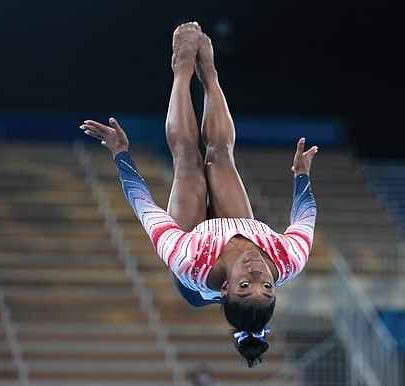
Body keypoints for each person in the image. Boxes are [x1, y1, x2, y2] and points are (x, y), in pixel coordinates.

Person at [79, 22, 318, 368]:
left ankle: (181, 67)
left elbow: (145, 207)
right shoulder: (286, 258)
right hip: (235, 231)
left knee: (188, 161)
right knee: (219, 156)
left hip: (198, 260)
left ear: (225, 291)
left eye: (245, 285)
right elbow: (306, 216)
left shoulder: (188, 260)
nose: (256, 273)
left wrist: (121, 154)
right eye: (266, 286)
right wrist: (301, 176)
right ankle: (209, 73)